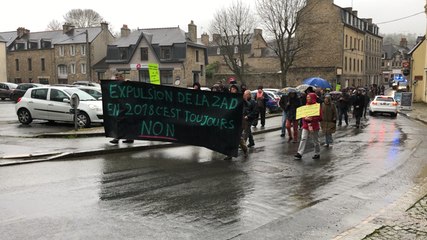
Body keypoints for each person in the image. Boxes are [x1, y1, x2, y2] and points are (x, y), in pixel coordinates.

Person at [224, 89, 257, 160]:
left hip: (240, 120)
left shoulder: (244, 101)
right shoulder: (231, 98)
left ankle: (245, 149)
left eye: (233, 89)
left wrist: (244, 100)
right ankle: (229, 154)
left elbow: (249, 105)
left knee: (239, 137)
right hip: (232, 120)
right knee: (230, 137)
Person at [294, 92, 322, 160]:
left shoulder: (317, 107)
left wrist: (312, 118)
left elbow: (320, 118)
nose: (307, 98)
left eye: (309, 97)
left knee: (315, 140)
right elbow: (303, 115)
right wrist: (305, 118)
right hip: (306, 125)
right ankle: (299, 153)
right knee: (303, 138)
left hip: (314, 126)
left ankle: (317, 153)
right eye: (307, 97)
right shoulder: (306, 106)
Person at [109, 72, 134, 145]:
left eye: (118, 77)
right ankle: (128, 138)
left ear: (122, 77)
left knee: (123, 123)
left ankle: (118, 138)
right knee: (121, 123)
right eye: (116, 77)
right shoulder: (115, 85)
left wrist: (128, 82)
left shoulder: (126, 83)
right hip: (120, 107)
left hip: (127, 107)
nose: (116, 79)